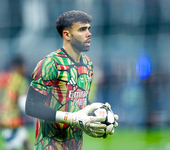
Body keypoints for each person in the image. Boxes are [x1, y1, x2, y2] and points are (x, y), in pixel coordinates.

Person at [25, 10, 118, 150]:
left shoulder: (88, 64)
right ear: (67, 34)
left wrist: (99, 116)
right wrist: (72, 118)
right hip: (50, 145)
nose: (89, 33)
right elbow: (31, 105)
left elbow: (78, 101)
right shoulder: (50, 63)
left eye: (88, 28)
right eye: (82, 29)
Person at [0, 55, 32, 150]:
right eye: (24, 66)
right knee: (12, 146)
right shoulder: (20, 80)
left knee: (25, 140)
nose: (25, 68)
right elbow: (23, 103)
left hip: (2, 117)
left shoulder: (0, 77)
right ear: (17, 66)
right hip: (11, 120)